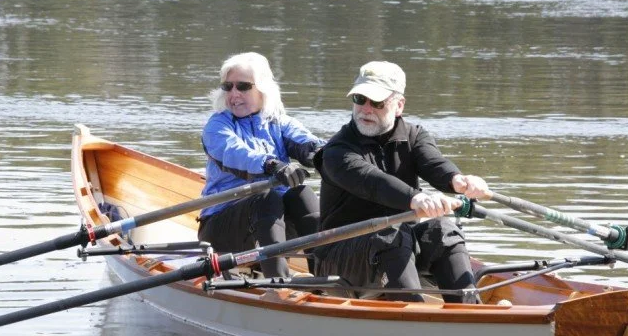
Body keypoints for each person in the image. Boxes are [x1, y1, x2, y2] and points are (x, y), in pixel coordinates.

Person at [313, 61, 490, 302]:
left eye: (376, 103)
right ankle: (413, 316)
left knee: (444, 229)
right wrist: (416, 198)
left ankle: (471, 311)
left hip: (395, 245)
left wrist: (459, 181)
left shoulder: (414, 135)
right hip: (338, 254)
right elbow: (374, 183)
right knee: (391, 234)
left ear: (399, 105)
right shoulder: (337, 152)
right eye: (359, 99)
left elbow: (434, 163)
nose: (365, 109)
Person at [198, 52, 325, 277]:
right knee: (268, 198)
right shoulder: (216, 126)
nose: (234, 94)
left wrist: (326, 156)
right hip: (222, 227)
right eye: (228, 86)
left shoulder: (278, 123)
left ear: (263, 89)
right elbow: (235, 153)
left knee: (302, 194)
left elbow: (308, 143)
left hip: (274, 225)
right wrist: (271, 164)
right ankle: (278, 284)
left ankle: (325, 278)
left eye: (243, 86)